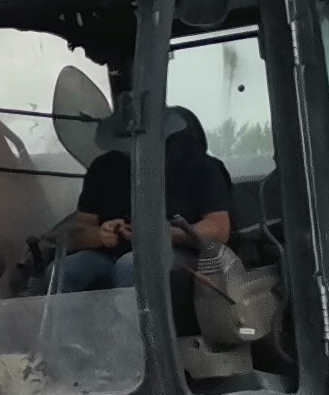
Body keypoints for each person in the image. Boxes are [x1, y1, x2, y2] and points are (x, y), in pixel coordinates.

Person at [59, 109, 232, 292]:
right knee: (64, 271)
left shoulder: (199, 165)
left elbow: (219, 229)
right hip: (109, 254)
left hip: (178, 253)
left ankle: (134, 313)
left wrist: (160, 233)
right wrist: (100, 234)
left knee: (131, 266)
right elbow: (78, 230)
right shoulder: (102, 168)